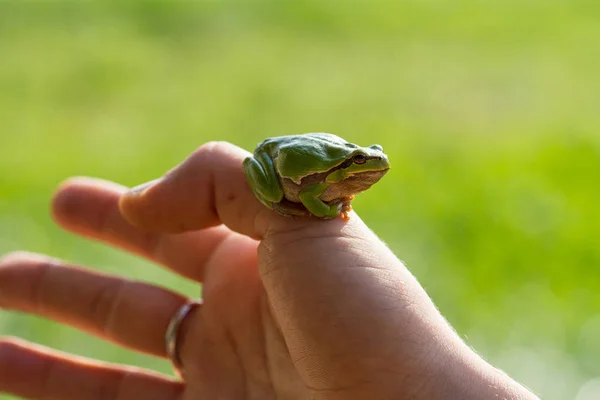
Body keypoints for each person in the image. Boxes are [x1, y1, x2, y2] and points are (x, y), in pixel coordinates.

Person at [0, 142, 539, 399]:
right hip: (277, 171)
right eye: (358, 165)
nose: (369, 170)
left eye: (366, 162)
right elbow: (304, 189)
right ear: (343, 167)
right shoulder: (324, 178)